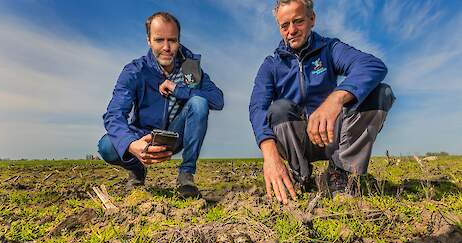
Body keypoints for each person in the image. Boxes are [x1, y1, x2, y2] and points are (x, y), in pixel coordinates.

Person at [249, 0, 395, 204]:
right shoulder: (271, 65)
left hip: (333, 135)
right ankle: (301, 176)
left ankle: (340, 174)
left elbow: (372, 66)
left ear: (312, 19)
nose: (291, 30)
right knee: (278, 109)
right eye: (284, 25)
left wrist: (335, 99)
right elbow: (257, 108)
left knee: (381, 93)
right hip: (297, 140)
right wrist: (270, 156)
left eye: (298, 21)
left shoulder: (329, 48)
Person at [98, 12, 224, 198]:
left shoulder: (191, 69)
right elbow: (114, 115)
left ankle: (186, 176)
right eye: (159, 40)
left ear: (179, 40)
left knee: (199, 102)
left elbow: (218, 100)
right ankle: (137, 170)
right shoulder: (135, 71)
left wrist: (177, 89)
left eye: (172, 40)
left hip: (176, 135)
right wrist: (132, 144)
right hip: (144, 137)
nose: (166, 47)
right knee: (107, 146)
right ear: (148, 40)